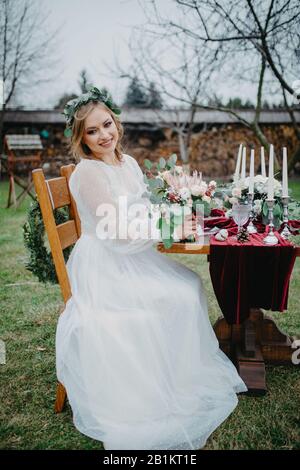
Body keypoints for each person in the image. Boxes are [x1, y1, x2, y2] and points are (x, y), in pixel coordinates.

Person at [56, 86, 247, 451]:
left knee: (189, 284)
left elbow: (140, 210)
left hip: (132, 253)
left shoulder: (126, 163)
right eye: (92, 132)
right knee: (173, 295)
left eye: (106, 125)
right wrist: (168, 230)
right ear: (80, 138)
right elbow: (114, 231)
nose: (103, 135)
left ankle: (178, 376)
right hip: (107, 262)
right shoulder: (88, 173)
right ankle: (155, 388)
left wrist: (173, 214)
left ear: (117, 122)